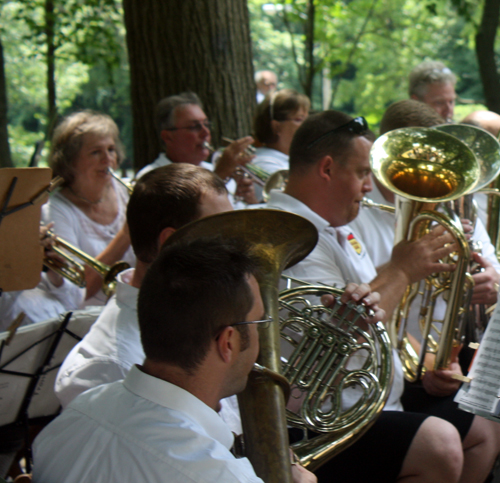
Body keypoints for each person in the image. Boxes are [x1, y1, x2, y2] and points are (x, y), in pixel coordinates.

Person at [265, 110, 497, 483]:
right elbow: (335, 343)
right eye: (361, 173)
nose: (369, 186)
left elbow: (379, 317)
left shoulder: (334, 229)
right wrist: (403, 269)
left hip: (375, 402)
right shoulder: (291, 234)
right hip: (328, 418)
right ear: (327, 169)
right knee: (440, 445)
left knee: (487, 422)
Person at [33, 237, 316, 483]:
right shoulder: (221, 477)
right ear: (227, 343)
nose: (261, 336)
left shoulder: (76, 414)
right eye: (259, 322)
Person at [54, 164, 234, 415]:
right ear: (172, 242)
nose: (233, 251)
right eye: (221, 234)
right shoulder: (109, 364)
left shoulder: (196, 312)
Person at [43, 111, 135, 306]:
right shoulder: (56, 210)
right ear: (70, 161)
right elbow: (77, 292)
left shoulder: (130, 192)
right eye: (95, 152)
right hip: (89, 319)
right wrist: (126, 233)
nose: (108, 159)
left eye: (111, 149)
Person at [134, 92, 256, 205]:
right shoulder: (150, 179)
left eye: (206, 124)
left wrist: (250, 201)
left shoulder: (211, 169)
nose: (205, 132)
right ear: (168, 137)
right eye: (194, 126)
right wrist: (219, 177)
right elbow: (186, 219)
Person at [252, 89, 310, 176]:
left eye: (307, 119)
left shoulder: (293, 160)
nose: (307, 125)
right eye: (299, 119)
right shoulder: (265, 163)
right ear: (276, 126)